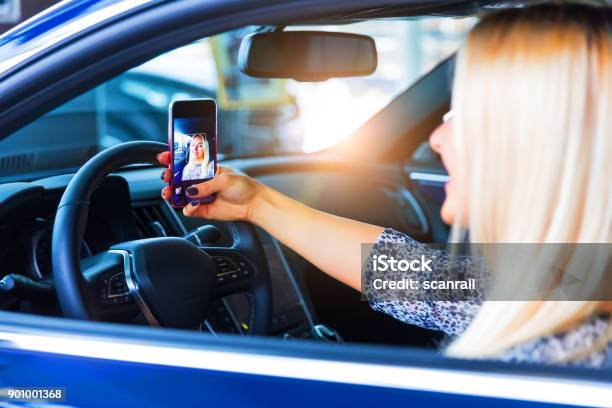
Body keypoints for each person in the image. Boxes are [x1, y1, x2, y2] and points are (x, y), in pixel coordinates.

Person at [158, 4, 611, 366]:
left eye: (465, 113)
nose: (437, 137)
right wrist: (257, 203)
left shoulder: (560, 353)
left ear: (543, 144)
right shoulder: (565, 286)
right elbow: (414, 276)